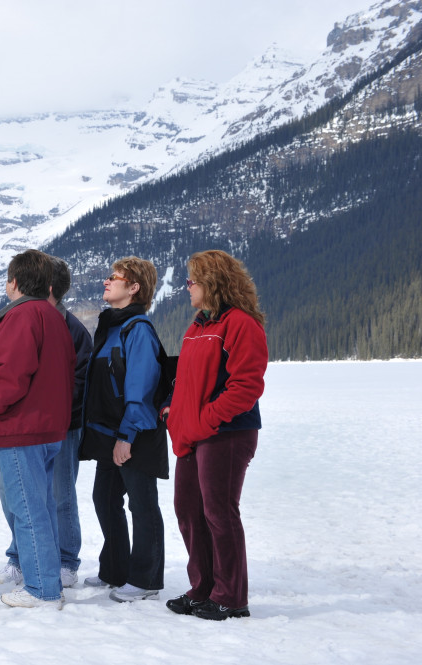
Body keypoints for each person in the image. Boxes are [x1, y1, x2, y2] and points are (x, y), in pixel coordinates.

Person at [0, 249, 75, 609]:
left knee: (27, 509)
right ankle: (43, 579)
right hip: (46, 428)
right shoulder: (52, 315)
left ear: (14, 282)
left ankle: (42, 589)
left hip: (20, 428)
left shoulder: (22, 315)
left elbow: (10, 375)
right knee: (39, 506)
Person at [163, 249, 268, 621]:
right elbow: (188, 381)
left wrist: (206, 418)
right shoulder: (197, 326)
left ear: (213, 283)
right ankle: (204, 587)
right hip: (195, 433)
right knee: (189, 510)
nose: (187, 287)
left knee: (219, 513)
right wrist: (173, 412)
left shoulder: (241, 324)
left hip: (228, 433)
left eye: (192, 281)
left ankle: (231, 596)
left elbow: (246, 386)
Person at [0, 256, 91, 590]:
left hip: (62, 426)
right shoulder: (31, 318)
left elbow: (76, 385)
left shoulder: (72, 330)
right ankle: (20, 556)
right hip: (31, 425)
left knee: (57, 494)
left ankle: (64, 560)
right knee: (17, 493)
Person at [80, 257, 167, 603]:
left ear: (134, 288)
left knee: (142, 505)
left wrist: (127, 436)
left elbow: (141, 387)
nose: (106, 281)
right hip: (109, 433)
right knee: (105, 498)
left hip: (134, 435)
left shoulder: (138, 329)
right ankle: (114, 569)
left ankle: (146, 580)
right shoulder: (113, 326)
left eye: (115, 278)